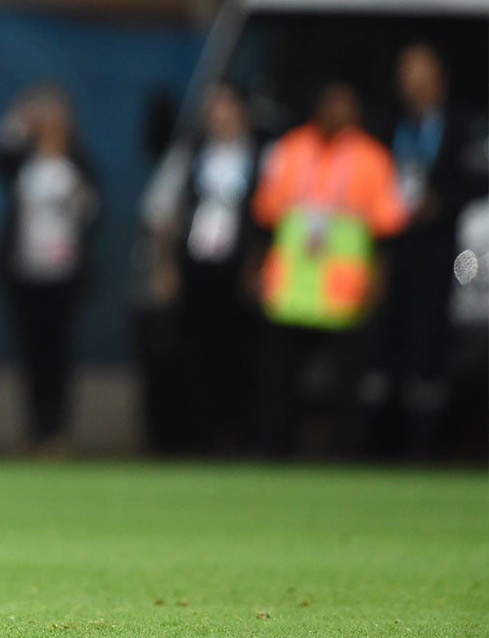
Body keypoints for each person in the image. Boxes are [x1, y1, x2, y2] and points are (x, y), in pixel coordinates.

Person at [250, 81, 408, 457]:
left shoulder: (372, 158)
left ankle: (343, 457)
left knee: (346, 386)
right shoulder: (289, 150)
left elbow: (388, 229)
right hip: (290, 291)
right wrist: (257, 269)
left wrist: (378, 278)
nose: (339, 113)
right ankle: (274, 453)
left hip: (343, 293)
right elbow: (264, 217)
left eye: (347, 106)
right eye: (332, 104)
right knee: (279, 382)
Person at [356, 44, 480, 459]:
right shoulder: (387, 126)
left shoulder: (463, 127)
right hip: (393, 249)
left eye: (421, 76)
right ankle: (376, 449)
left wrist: (440, 204)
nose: (413, 85)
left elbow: (475, 183)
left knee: (428, 349)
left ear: (439, 81)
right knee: (381, 347)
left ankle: (423, 450)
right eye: (407, 76)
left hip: (438, 250)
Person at [142, 82, 261, 454]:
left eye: (222, 105)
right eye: (210, 108)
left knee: (242, 355)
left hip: (239, 270)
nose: (215, 114)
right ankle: (199, 439)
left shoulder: (263, 157)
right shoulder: (191, 156)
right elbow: (160, 213)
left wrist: (258, 264)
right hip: (197, 269)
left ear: (241, 110)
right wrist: (166, 266)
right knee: (195, 356)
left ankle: (238, 437)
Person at [0, 83, 98, 456]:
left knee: (60, 353)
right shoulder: (24, 161)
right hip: (25, 271)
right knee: (30, 355)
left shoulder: (78, 162)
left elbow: (92, 210)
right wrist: (18, 120)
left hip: (64, 273)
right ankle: (34, 431)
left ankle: (58, 432)